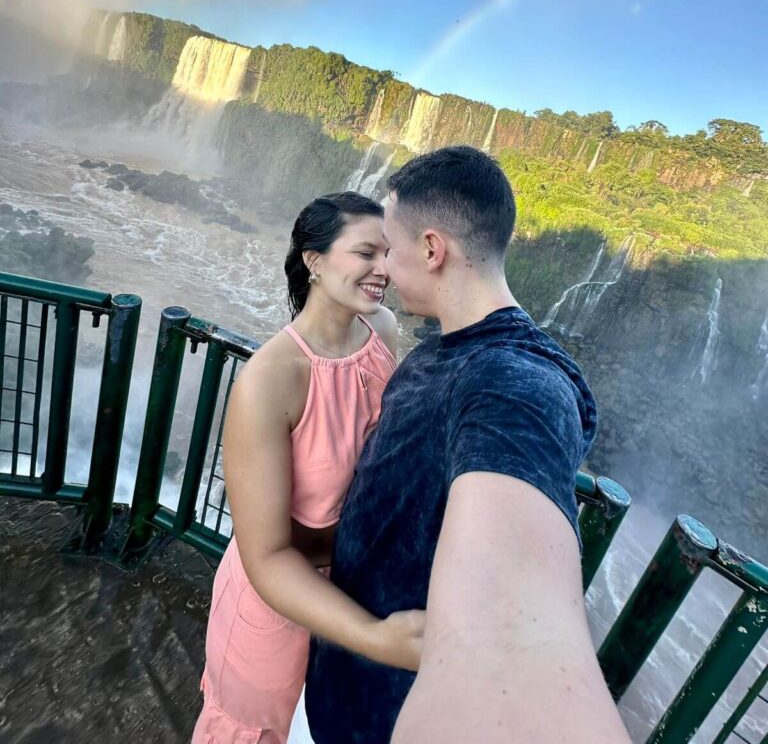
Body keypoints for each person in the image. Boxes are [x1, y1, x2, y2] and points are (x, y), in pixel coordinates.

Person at [305, 146, 632, 744]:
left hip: (387, 715)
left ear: (432, 250)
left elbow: (515, 633)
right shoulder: (439, 348)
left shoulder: (512, 383)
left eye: (390, 250)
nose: (383, 269)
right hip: (344, 688)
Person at [192, 191, 425, 744]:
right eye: (366, 252)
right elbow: (267, 555)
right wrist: (378, 638)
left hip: (353, 587)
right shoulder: (272, 378)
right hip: (278, 609)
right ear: (314, 260)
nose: (382, 269)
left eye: (388, 254)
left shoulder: (382, 330)